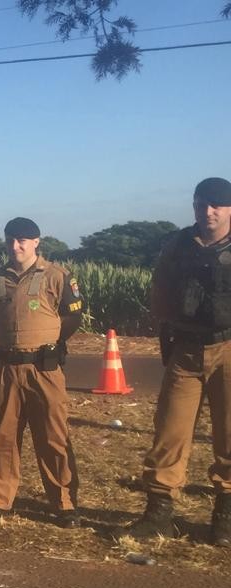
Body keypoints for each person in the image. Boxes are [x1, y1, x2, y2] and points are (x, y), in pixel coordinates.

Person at [115, 177, 231, 546]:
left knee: (229, 438)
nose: (207, 211)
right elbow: (160, 291)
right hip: (186, 350)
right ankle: (159, 515)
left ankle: (225, 521)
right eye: (200, 204)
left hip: (228, 347)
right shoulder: (179, 245)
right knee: (169, 434)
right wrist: (165, 328)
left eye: (216, 204)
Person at [0, 217, 83, 528]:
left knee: (52, 435)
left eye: (23, 240)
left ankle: (64, 503)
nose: (16, 246)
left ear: (37, 242)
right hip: (6, 367)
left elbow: (72, 317)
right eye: (10, 239)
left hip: (44, 367)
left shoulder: (57, 276)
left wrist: (53, 343)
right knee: (2, 436)